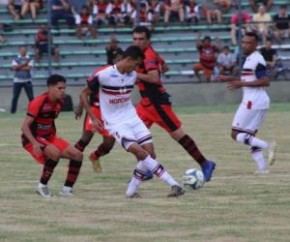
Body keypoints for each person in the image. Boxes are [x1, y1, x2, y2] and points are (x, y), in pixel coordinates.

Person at [80, 45, 185, 198]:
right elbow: (83, 94)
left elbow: (154, 77)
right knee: (139, 152)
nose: (137, 68)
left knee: (150, 154)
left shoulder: (132, 75)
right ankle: (173, 184)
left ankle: (131, 192)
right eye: (136, 64)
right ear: (128, 60)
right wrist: (94, 118)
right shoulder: (104, 75)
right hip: (115, 123)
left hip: (132, 118)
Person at [132, 26, 216, 182]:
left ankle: (205, 164)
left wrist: (135, 74)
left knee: (178, 136)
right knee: (132, 135)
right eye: (135, 39)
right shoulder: (148, 54)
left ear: (148, 40)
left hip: (157, 104)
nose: (137, 42)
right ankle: (148, 168)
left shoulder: (148, 55)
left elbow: (155, 78)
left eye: (141, 39)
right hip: (145, 104)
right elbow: (165, 67)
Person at [217, 32, 276, 174]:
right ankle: (262, 169)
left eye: (248, 42)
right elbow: (248, 78)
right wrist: (229, 78)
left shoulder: (257, 59)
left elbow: (265, 81)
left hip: (252, 101)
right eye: (243, 42)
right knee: (249, 138)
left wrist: (241, 83)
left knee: (235, 134)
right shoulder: (249, 59)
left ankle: (268, 145)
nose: (244, 45)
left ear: (255, 44)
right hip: (258, 101)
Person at [21, 74, 83, 197]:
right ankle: (42, 186)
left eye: (64, 88)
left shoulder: (60, 102)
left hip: (49, 137)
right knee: (55, 153)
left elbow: (49, 121)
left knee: (77, 155)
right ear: (50, 88)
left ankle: (66, 189)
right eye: (59, 88)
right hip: (33, 138)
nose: (63, 91)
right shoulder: (38, 102)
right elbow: (24, 127)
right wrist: (35, 143)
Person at [11, 46, 34, 114]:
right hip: (17, 80)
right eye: (22, 50)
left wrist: (18, 67)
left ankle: (33, 111)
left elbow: (28, 68)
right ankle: (13, 111)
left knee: (31, 97)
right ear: (19, 51)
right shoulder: (15, 59)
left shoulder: (30, 59)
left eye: (24, 50)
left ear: (26, 51)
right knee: (15, 97)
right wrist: (24, 64)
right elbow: (14, 68)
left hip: (27, 80)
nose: (23, 51)